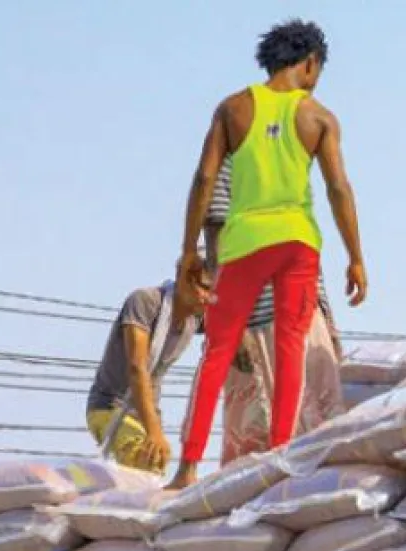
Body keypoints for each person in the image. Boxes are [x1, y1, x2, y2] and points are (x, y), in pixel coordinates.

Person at [169, 18, 367, 490]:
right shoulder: (318, 117)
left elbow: (202, 179)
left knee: (217, 352)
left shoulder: (233, 109)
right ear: (310, 63)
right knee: (291, 348)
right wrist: (356, 256)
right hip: (298, 242)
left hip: (244, 243)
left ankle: (187, 468)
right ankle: (280, 453)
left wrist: (188, 252)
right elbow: (339, 188)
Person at [204, 156, 344, 465]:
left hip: (306, 319)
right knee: (261, 445)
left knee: (320, 434)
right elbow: (217, 250)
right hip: (259, 323)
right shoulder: (230, 165)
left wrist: (329, 325)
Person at [85, 280, 206, 474]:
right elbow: (137, 368)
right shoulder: (146, 302)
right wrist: (154, 431)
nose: (205, 296)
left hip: (146, 417)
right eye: (200, 286)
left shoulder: (196, 317)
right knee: (147, 459)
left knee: (153, 465)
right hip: (111, 407)